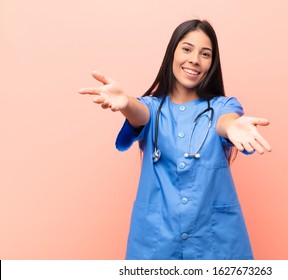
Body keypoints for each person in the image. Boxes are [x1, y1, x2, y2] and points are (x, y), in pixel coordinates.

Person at [79, 19, 271, 260]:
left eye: (205, 54)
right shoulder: (152, 107)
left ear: (212, 63)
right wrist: (126, 103)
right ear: (172, 53)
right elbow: (140, 112)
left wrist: (233, 126)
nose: (195, 59)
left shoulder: (223, 106)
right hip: (156, 241)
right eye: (187, 49)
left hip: (215, 242)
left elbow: (226, 121)